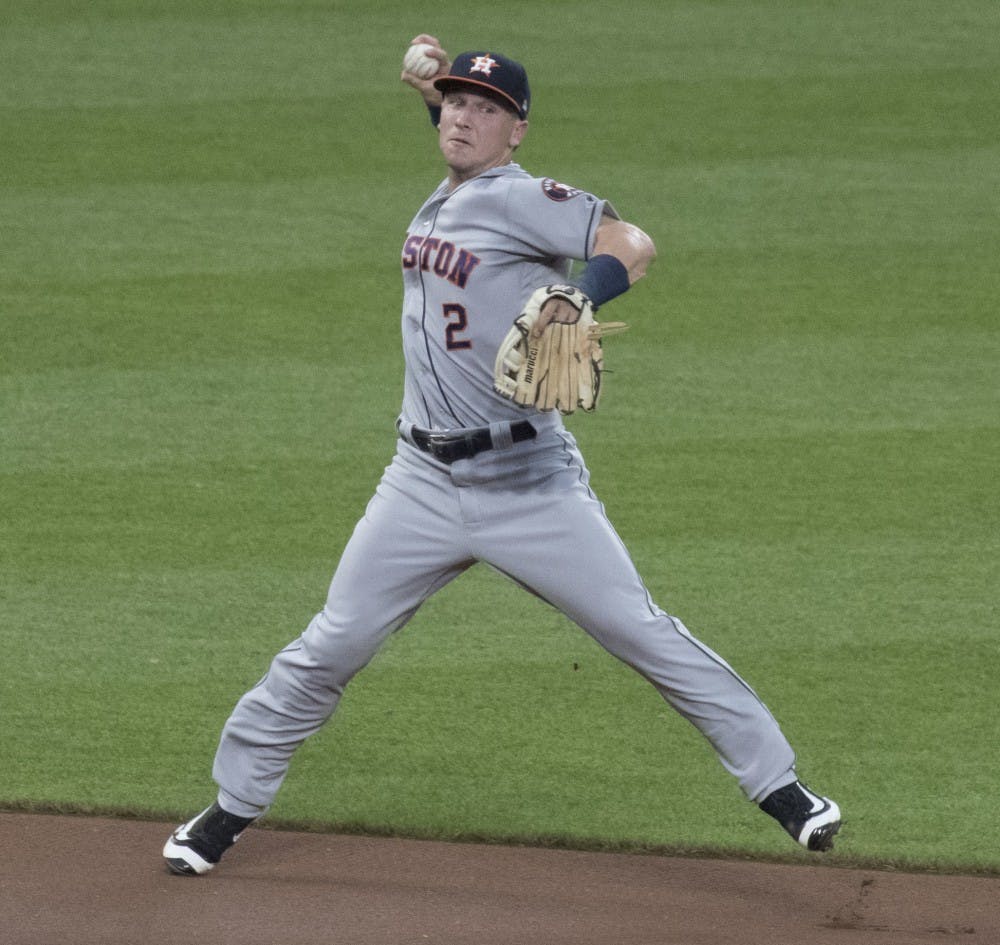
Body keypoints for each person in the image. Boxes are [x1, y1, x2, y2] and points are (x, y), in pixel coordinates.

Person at [163, 35, 841, 876]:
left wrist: (576, 293)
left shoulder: (526, 200)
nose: (465, 118)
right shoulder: (451, 188)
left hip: (529, 483)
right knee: (329, 644)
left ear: (517, 130)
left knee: (638, 628)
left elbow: (634, 241)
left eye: (488, 110)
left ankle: (783, 787)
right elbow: (456, 141)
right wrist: (434, 86)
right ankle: (227, 812)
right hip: (418, 480)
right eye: (455, 104)